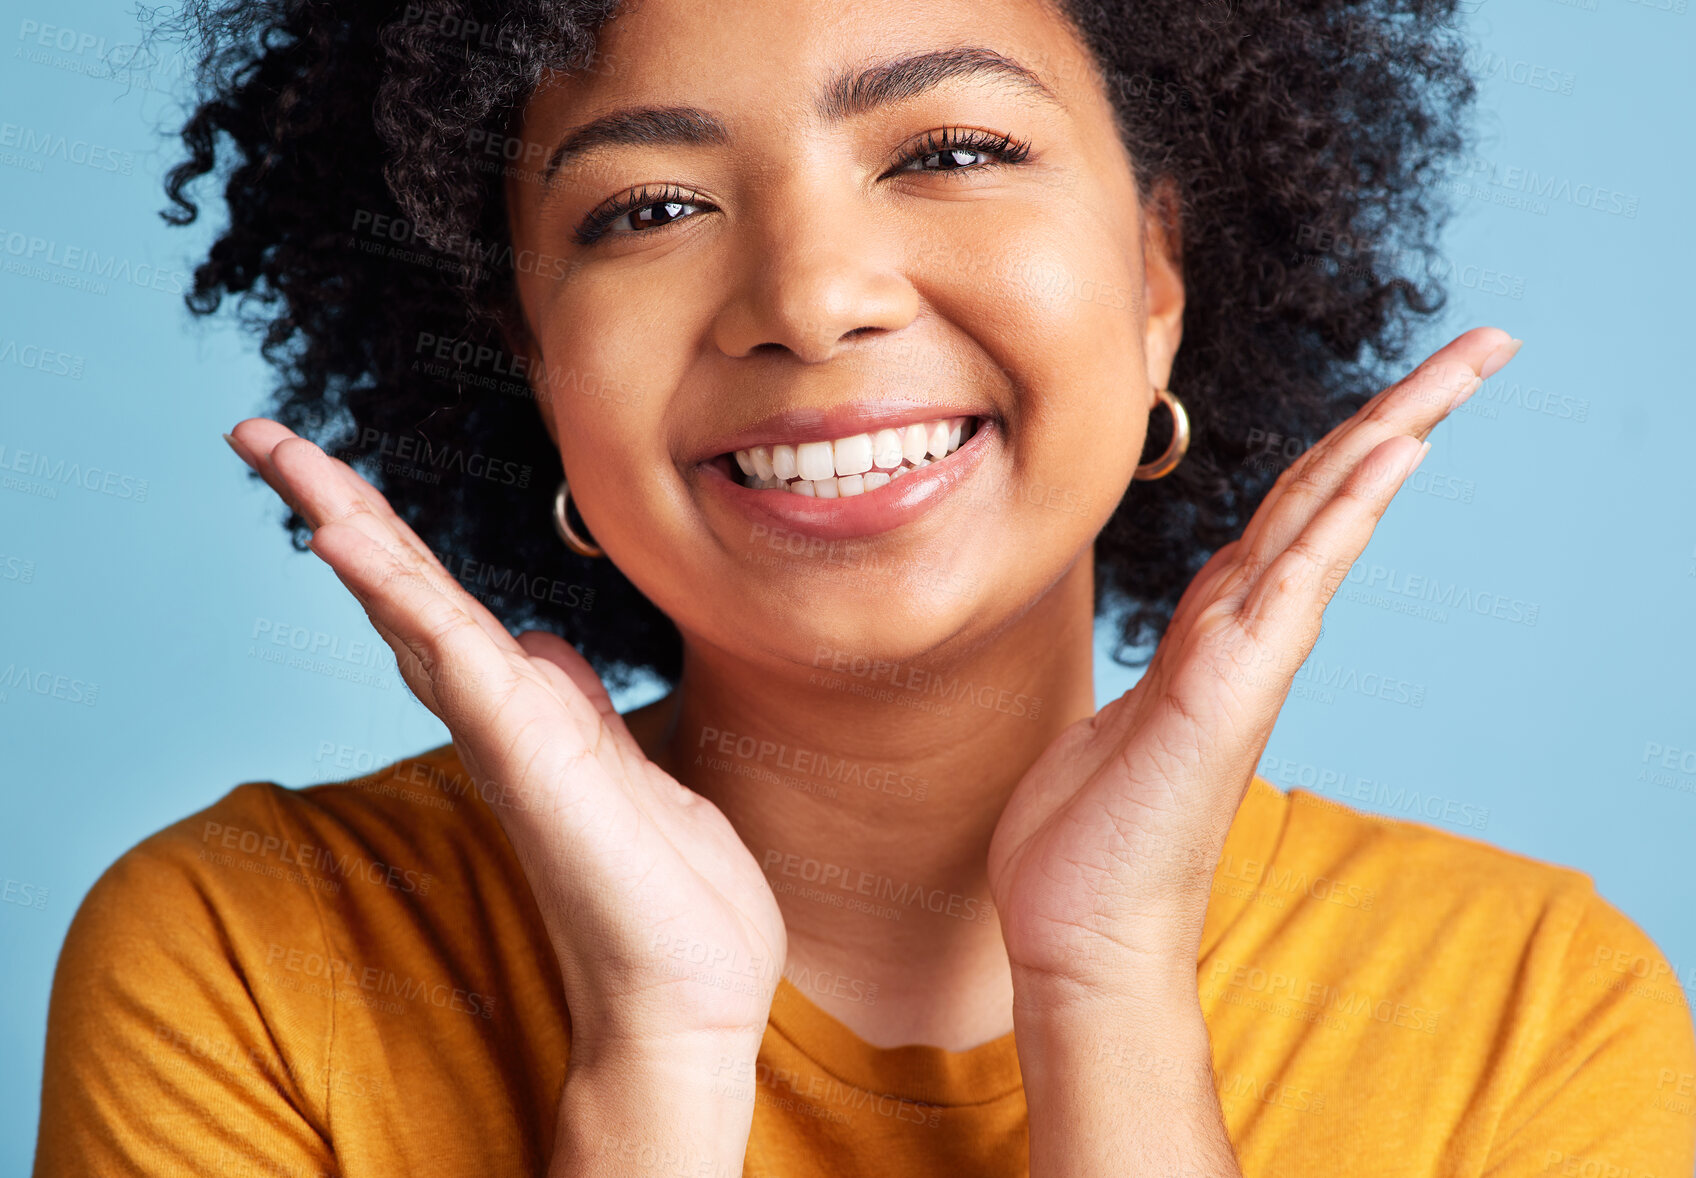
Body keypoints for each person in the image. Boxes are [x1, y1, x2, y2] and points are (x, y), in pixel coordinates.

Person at [34, 0, 1695, 1174]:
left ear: (1156, 275)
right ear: (533, 361)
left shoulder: (1522, 1003)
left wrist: (1107, 985)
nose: (814, 298)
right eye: (652, 205)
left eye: (952, 147)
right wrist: (662, 1059)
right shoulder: (256, 954)